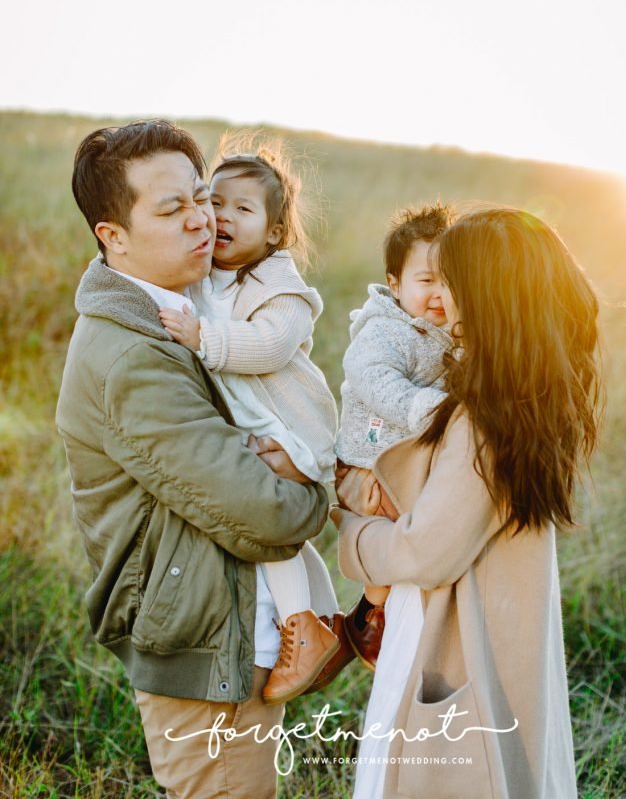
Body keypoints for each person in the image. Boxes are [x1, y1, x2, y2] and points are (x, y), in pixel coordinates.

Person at [56, 120, 330, 799]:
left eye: (202, 197)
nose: (200, 220)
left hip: (229, 623)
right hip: (204, 645)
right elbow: (264, 512)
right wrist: (319, 482)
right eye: (170, 208)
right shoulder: (130, 355)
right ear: (112, 236)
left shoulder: (185, 309)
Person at [333, 206, 602, 799]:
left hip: (454, 640)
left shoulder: (484, 418)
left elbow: (423, 551)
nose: (441, 298)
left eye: (451, 281)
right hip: (505, 639)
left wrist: (346, 527)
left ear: (483, 297)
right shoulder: (527, 394)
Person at [157, 135, 347, 704]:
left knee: (266, 529)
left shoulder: (282, 289)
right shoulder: (206, 276)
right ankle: (324, 619)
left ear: (273, 233)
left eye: (242, 209)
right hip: (254, 427)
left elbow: (267, 347)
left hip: (291, 427)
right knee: (281, 530)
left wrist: (204, 338)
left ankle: (302, 629)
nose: (222, 217)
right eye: (214, 202)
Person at [335, 202, 454, 669]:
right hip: (368, 465)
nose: (439, 294)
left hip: (400, 463)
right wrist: (429, 410)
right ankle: (368, 615)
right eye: (426, 281)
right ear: (395, 284)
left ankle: (384, 613)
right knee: (389, 541)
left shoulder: (447, 333)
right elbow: (373, 380)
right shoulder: (385, 331)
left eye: (450, 281)